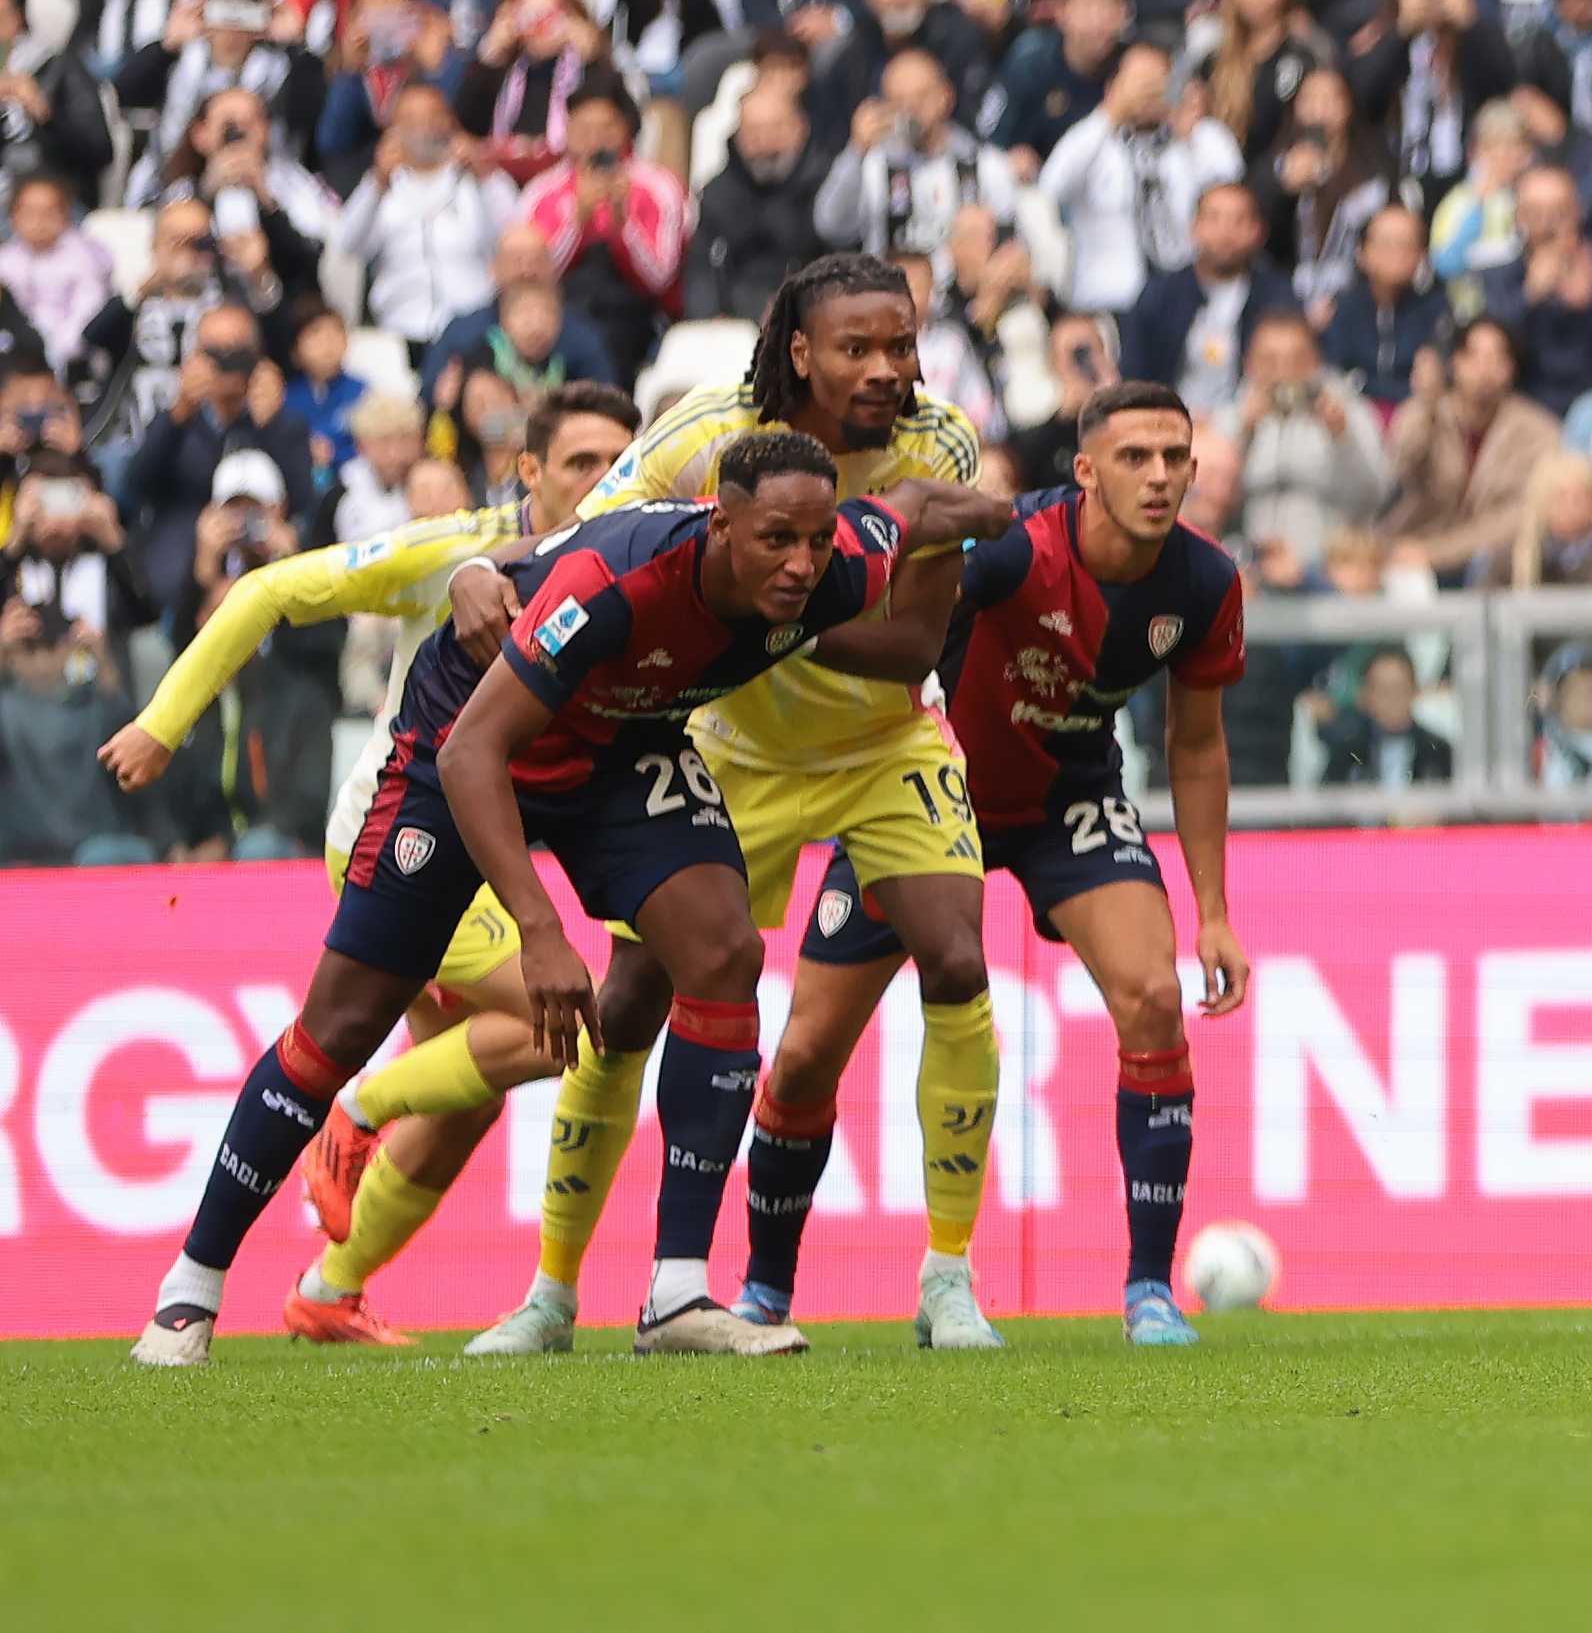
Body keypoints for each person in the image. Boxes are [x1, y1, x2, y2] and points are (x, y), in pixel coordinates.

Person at [127, 423, 1006, 1370]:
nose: (798, 565)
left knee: (723, 953)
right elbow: (475, 749)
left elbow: (911, 508)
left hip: (623, 748)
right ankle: (190, 1288)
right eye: (774, 541)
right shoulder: (616, 584)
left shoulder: (841, 565)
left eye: (813, 539)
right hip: (465, 751)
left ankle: (675, 1294)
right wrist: (541, 933)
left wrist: (1001, 510)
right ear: (720, 523)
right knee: (337, 1026)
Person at [447, 254, 996, 1358]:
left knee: (957, 956)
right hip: (727, 738)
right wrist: (478, 565)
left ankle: (947, 1280)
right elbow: (581, 545)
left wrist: (757, 612)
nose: (888, 369)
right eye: (858, 349)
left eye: (901, 346)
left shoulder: (940, 445)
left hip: (880, 738)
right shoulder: (707, 435)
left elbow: (912, 642)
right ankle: (552, 1293)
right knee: (633, 996)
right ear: (799, 351)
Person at [94, 380, 641, 1344]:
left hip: (506, 842)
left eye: (618, 464)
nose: (603, 484)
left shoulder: (632, 557)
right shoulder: (457, 551)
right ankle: (357, 1106)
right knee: (571, 1024)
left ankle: (329, 1290)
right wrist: (160, 722)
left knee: (469, 1091)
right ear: (527, 472)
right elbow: (267, 587)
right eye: (579, 464)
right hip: (405, 831)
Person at [747, 384, 1247, 1347]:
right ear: (1087, 470)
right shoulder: (1012, 549)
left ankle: (1150, 1290)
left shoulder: (1204, 583)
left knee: (1152, 994)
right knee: (806, 1050)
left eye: (1173, 457)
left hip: (1069, 799)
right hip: (927, 800)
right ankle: (764, 1291)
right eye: (1135, 457)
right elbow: (899, 629)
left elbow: (1197, 746)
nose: (1158, 476)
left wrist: (1212, 911)